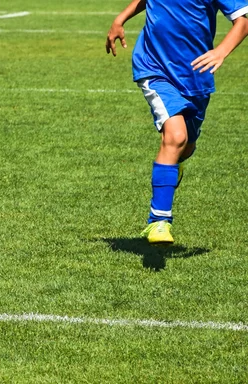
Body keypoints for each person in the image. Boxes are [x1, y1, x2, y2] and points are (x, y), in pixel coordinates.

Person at [106, 0, 248, 244]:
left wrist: (221, 51)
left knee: (186, 146)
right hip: (154, 68)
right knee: (176, 136)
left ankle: (175, 164)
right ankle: (159, 221)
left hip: (196, 75)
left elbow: (243, 19)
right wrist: (120, 19)